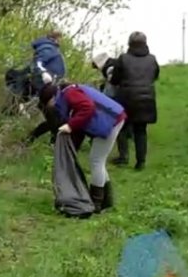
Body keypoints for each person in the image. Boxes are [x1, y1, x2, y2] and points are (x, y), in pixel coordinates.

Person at [37, 80, 126, 211]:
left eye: (48, 104)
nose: (50, 108)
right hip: (112, 118)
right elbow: (80, 126)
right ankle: (107, 200)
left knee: (96, 161)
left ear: (51, 98)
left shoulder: (69, 93)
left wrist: (70, 125)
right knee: (98, 161)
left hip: (111, 120)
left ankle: (96, 203)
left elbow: (87, 108)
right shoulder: (67, 95)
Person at [109, 32, 160, 169]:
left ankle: (123, 157)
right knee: (141, 130)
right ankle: (140, 162)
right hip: (147, 97)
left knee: (122, 128)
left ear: (129, 44)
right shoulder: (152, 59)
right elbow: (155, 75)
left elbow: (115, 79)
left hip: (127, 97)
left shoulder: (123, 58)